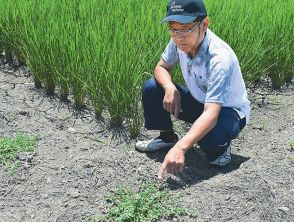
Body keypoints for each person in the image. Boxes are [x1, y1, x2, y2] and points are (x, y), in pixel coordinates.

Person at [135, 0, 251, 180]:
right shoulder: (179, 40)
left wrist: (181, 148)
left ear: (204, 24)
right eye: (173, 28)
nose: (178, 36)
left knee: (211, 144)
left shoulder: (219, 58)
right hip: (200, 101)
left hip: (228, 111)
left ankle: (221, 146)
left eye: (186, 28)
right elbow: (161, 67)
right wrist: (169, 87)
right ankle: (167, 138)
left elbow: (211, 114)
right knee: (152, 87)